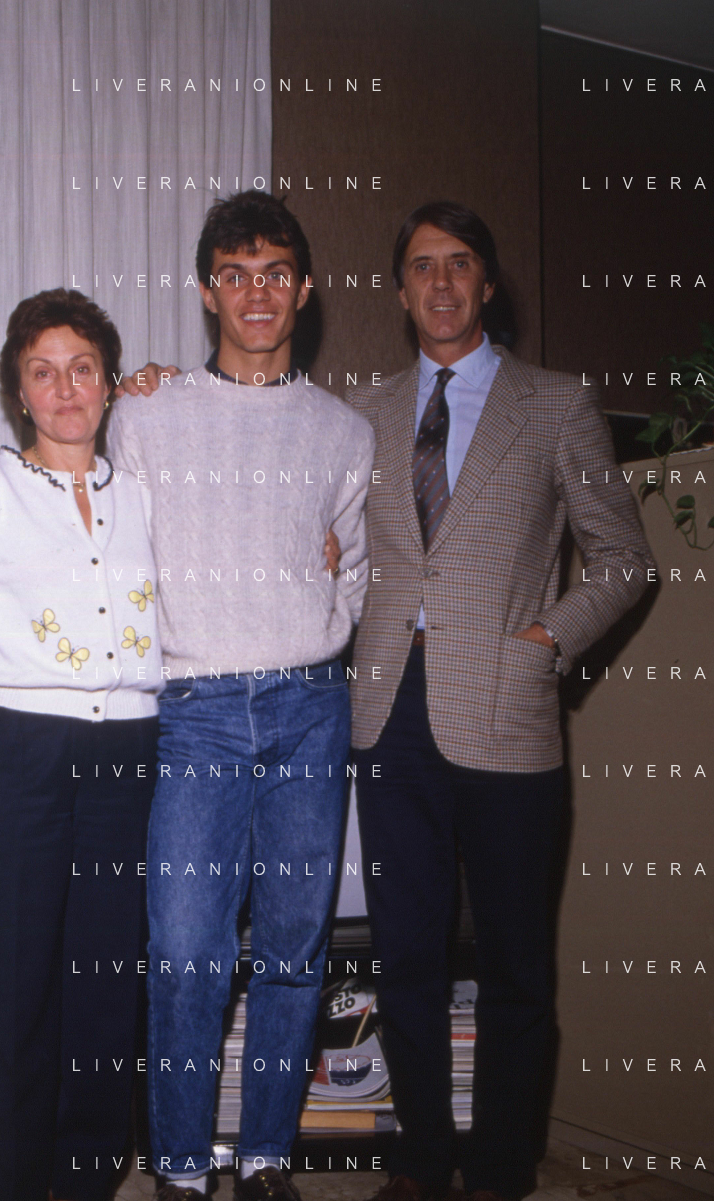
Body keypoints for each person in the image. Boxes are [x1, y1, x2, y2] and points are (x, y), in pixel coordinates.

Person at [346, 202, 656, 1201]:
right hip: (389, 714)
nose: (440, 282)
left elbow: (625, 559)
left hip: (510, 713)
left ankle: (500, 1168)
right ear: (400, 291)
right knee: (406, 956)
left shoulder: (557, 403)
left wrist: (546, 642)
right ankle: (419, 1159)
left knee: (516, 961)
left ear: (485, 283)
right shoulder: (364, 411)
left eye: (459, 263)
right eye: (421, 266)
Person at [108, 191, 375, 1201]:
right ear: (206, 291)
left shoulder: (343, 430)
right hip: (195, 712)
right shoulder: (147, 413)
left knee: (295, 952)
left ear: (303, 290)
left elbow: (353, 571)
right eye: (235, 274)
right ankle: (182, 1168)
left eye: (274, 274)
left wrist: (320, 623)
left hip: (310, 708)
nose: (255, 294)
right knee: (185, 951)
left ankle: (265, 1158)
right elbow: (116, 560)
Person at [0, 289, 162, 1201]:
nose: (65, 388)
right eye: (43, 373)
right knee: (20, 986)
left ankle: (84, 1181)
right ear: (20, 393)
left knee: (106, 984)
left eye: (82, 369)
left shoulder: (147, 493)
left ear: (109, 383)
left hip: (128, 754)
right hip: (20, 756)